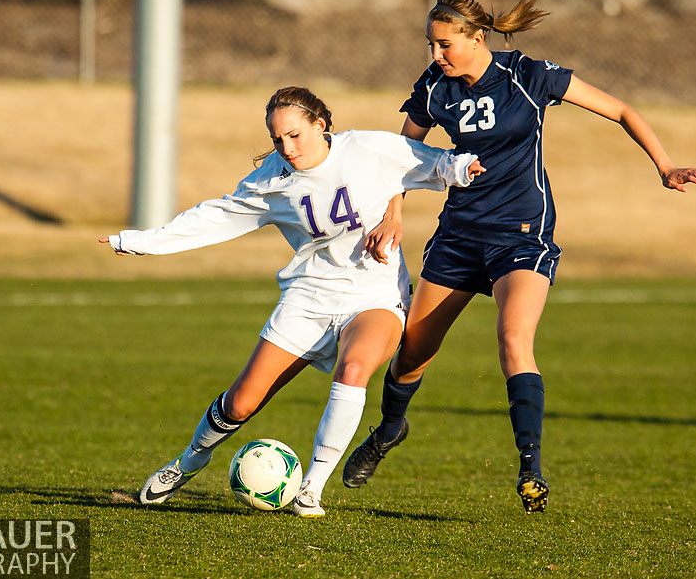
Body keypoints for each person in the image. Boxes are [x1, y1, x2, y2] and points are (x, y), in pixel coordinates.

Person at [342, 0, 696, 513]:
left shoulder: (528, 75)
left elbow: (621, 109)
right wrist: (393, 212)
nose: (435, 55)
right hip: (459, 234)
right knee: (412, 351)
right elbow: (400, 156)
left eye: (445, 44)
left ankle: (530, 469)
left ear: (477, 38)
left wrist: (665, 166)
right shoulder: (433, 88)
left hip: (522, 231)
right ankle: (388, 431)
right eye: (430, 45)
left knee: (514, 337)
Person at [100, 86, 483, 516]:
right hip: (308, 298)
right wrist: (140, 242)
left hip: (374, 295)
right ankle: (189, 460)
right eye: (278, 139)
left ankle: (311, 490)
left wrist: (467, 166)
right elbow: (214, 217)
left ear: (321, 126)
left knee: (354, 369)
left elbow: (436, 164)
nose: (287, 147)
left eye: (295, 135)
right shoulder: (271, 178)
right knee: (242, 401)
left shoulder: (370, 149)